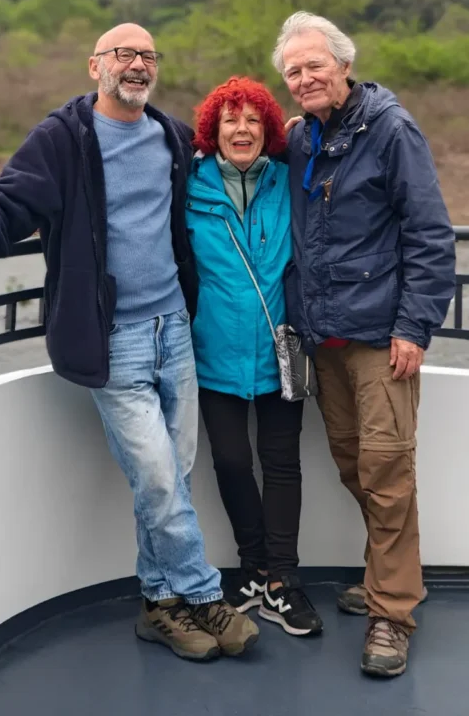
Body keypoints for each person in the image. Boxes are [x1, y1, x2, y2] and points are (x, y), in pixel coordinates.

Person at [0, 23, 259, 663]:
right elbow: (9, 199)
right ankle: (204, 592)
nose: (136, 65)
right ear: (94, 65)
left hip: (175, 331)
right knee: (157, 477)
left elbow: (240, 158)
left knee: (172, 476)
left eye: (147, 56)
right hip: (114, 341)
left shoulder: (173, 138)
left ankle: (159, 605)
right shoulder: (62, 140)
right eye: (123, 54)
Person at [274, 11, 456, 678]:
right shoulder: (300, 138)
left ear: (344, 66)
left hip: (381, 337)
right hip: (324, 338)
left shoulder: (390, 130)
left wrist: (415, 325)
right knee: (354, 466)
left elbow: (429, 232)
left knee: (385, 473)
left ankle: (392, 612)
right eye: (293, 72)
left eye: (314, 65)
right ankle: (390, 575)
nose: (304, 78)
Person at [186, 77, 323, 637]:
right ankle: (254, 566)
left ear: (267, 130)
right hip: (213, 348)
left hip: (279, 346)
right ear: (212, 131)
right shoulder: (188, 184)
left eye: (252, 120)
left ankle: (283, 580)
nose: (241, 130)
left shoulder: (289, 182)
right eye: (229, 120)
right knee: (232, 462)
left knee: (282, 462)